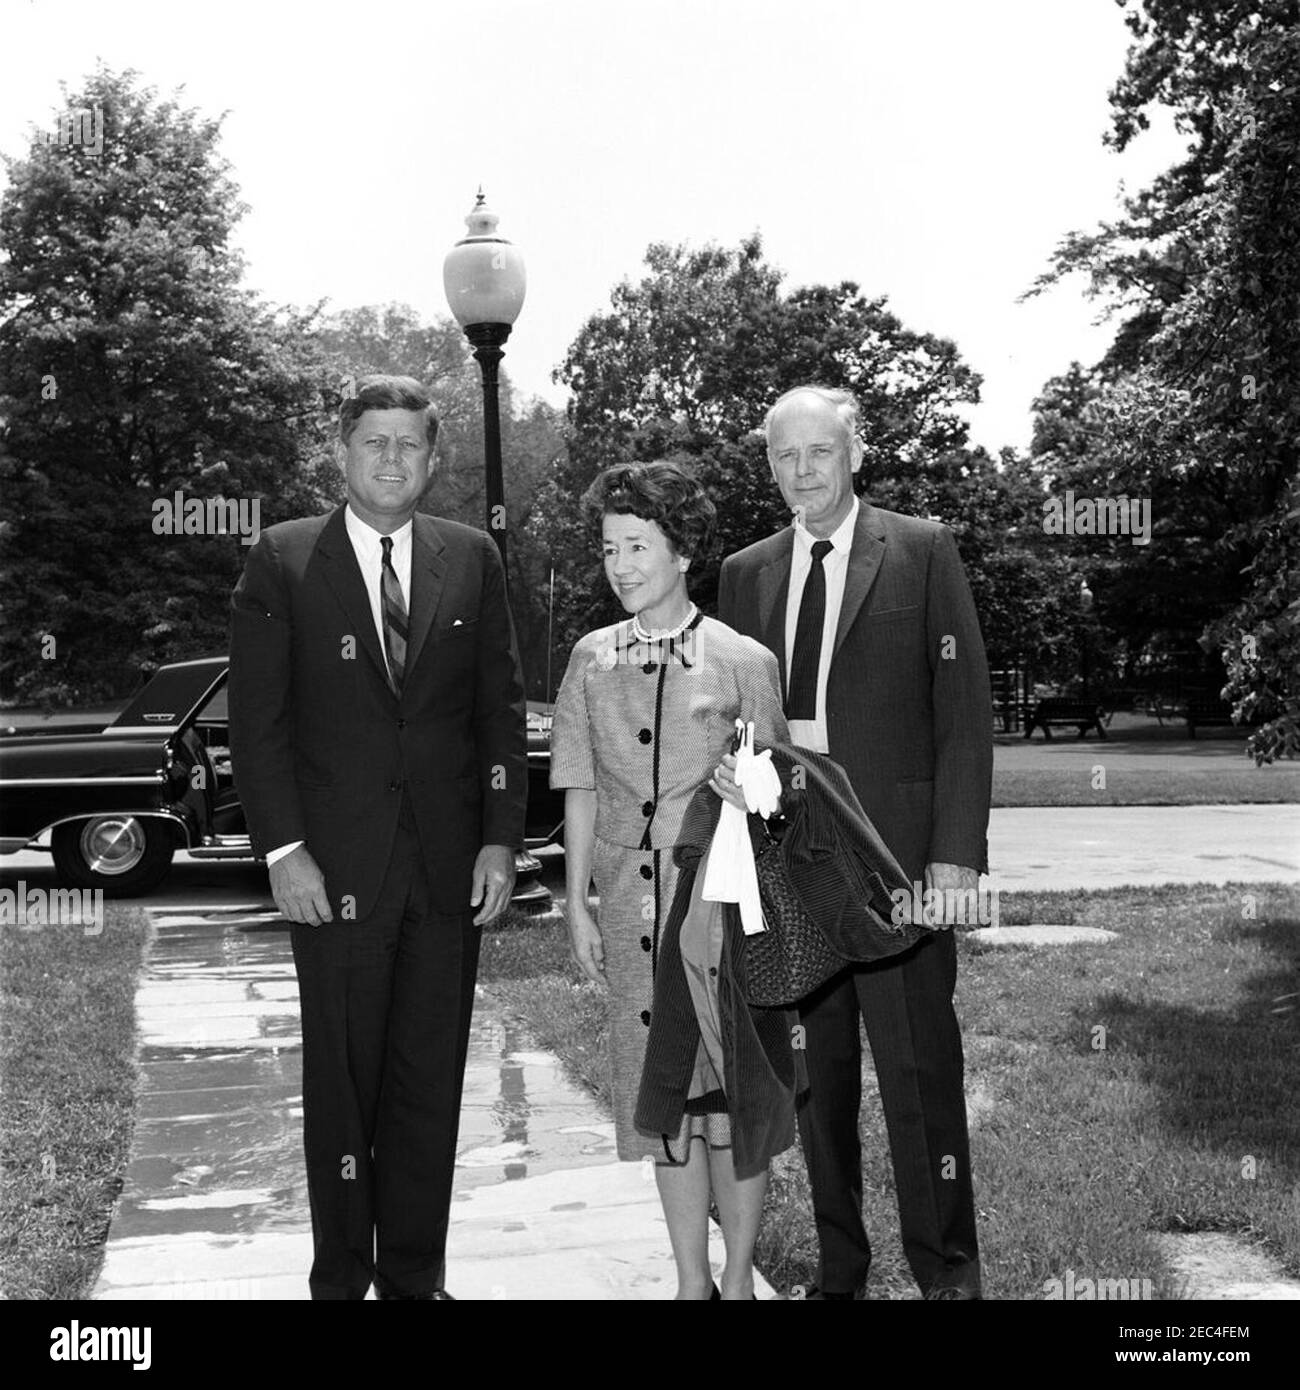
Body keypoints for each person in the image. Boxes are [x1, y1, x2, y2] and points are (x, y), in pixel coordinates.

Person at [228, 374, 527, 1300]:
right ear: (342, 452)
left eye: (410, 444)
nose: (392, 459)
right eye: (374, 442)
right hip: (334, 872)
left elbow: (499, 710)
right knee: (344, 1084)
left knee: (427, 1082)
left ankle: (413, 1273)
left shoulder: (471, 557)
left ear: (434, 461)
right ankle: (341, 1275)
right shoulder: (282, 559)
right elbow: (258, 725)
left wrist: (500, 840)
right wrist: (283, 852)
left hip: (447, 869)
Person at [717, 384, 993, 1301]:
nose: (803, 472)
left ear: (855, 452)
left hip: (901, 862)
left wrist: (954, 858)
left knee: (919, 1071)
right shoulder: (745, 572)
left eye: (820, 453)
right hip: (792, 863)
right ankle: (843, 1274)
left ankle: (947, 1273)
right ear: (770, 465)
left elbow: (964, 718)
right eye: (785, 456)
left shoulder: (920, 550)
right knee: (816, 1081)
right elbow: (735, 727)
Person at [549, 461, 795, 1300]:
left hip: (722, 911)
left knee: (731, 1096)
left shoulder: (742, 659)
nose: (620, 566)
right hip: (627, 905)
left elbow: (781, 788)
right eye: (610, 548)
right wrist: (577, 899)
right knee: (665, 1102)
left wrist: (751, 790)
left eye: (638, 546)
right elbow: (578, 782)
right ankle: (690, 1280)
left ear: (681, 552)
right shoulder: (590, 658)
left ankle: (736, 1276)